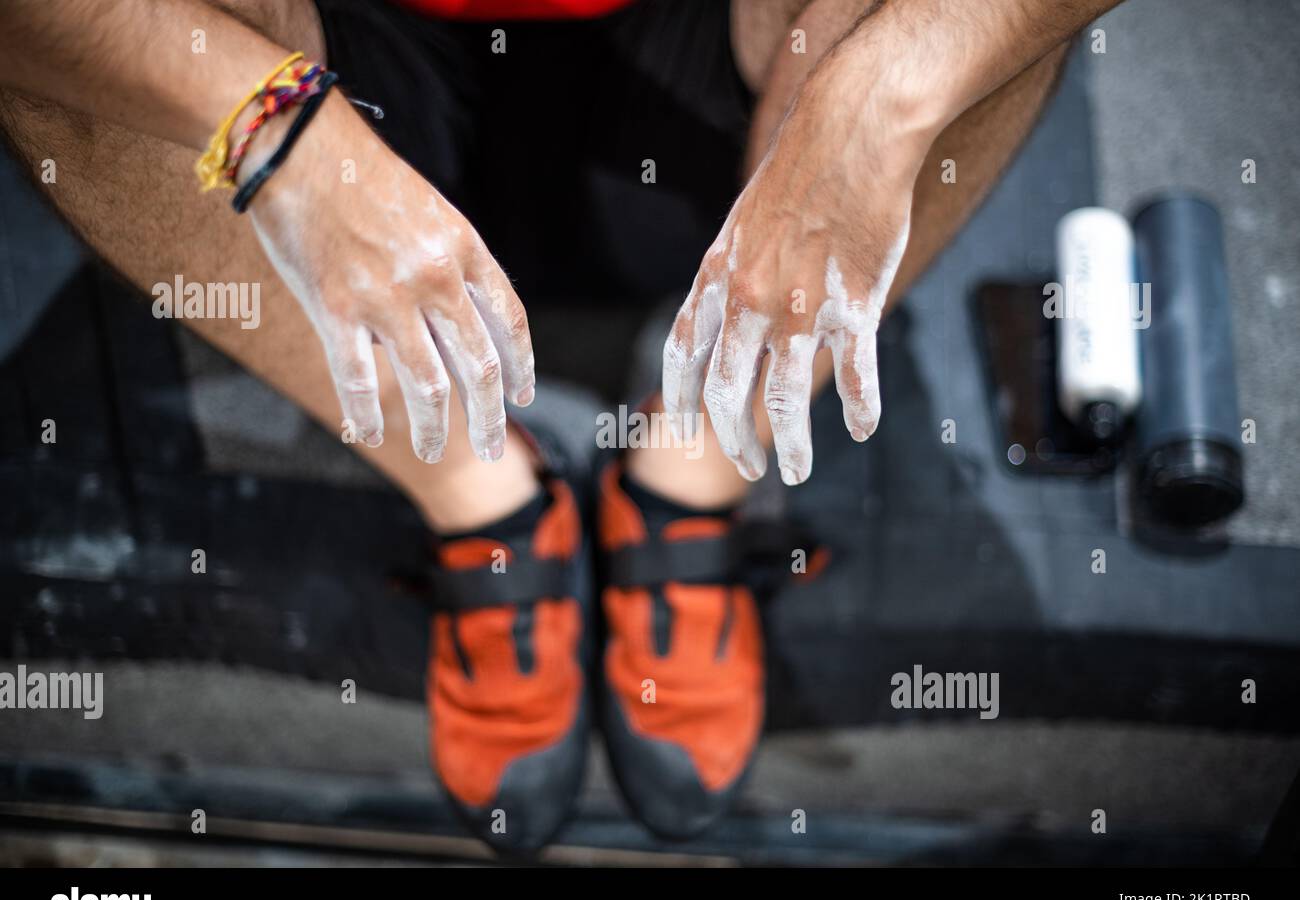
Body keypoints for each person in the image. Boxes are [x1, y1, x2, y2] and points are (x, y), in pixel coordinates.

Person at [0, 0, 1121, 851]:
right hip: (344, 80)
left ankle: (686, 471)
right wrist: (280, 130)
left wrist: (883, 96)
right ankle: (478, 489)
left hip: (710, 80)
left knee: (946, 29)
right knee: (95, 57)